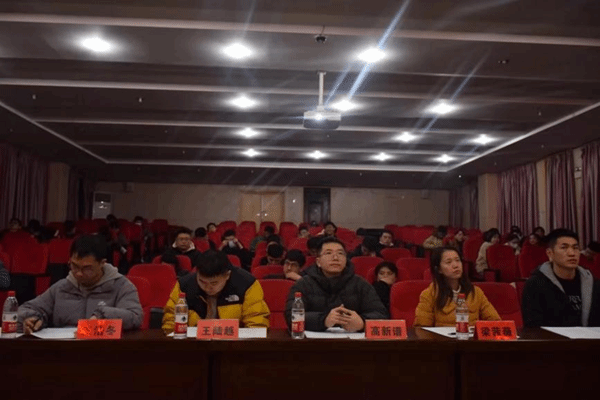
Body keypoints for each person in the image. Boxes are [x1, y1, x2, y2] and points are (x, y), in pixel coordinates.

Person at [18, 235, 142, 333]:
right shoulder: (62, 287)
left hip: (104, 350)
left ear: (102, 263)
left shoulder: (122, 286)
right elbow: (27, 308)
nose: (78, 273)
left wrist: (102, 316)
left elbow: (135, 317)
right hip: (63, 350)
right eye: (74, 266)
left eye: (87, 268)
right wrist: (33, 319)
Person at [284, 237, 388, 332]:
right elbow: (291, 316)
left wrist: (362, 323)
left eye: (340, 253)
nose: (335, 258)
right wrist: (324, 320)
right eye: (328, 253)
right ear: (318, 262)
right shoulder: (303, 284)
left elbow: (382, 314)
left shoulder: (361, 284)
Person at [162, 250, 270, 334]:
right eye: (202, 282)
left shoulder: (247, 284)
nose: (207, 288)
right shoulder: (184, 285)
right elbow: (170, 322)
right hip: (195, 346)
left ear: (227, 275)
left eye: (214, 283)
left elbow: (256, 324)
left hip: (235, 346)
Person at [522, 229, 600, 327]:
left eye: (575, 248)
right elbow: (533, 326)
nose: (572, 253)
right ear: (550, 253)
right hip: (550, 337)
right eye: (564, 248)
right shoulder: (535, 284)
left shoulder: (593, 283)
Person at [414, 246, 501, 327]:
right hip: (441, 338)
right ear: (439, 269)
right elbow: (421, 328)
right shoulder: (429, 294)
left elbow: (495, 321)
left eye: (458, 260)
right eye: (448, 262)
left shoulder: (476, 292)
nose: (456, 265)